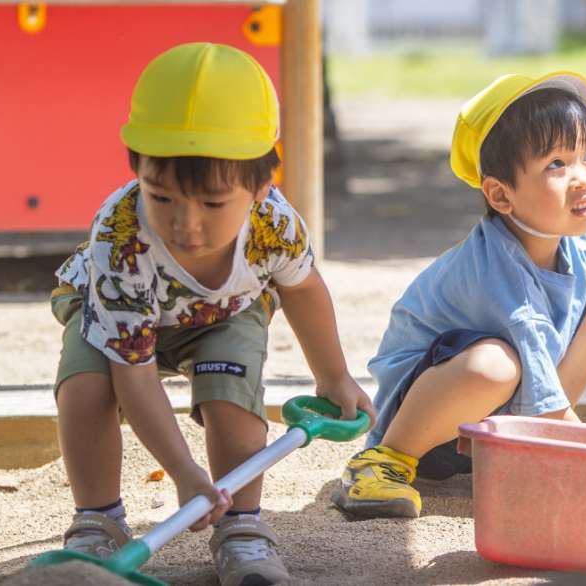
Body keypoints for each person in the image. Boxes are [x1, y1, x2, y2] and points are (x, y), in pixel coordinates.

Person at [49, 42, 374, 585]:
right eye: (163, 197)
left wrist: (333, 375)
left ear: (260, 187)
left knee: (235, 403)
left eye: (213, 204)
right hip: (117, 311)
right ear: (138, 172)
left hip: (225, 313)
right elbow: (135, 371)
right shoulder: (119, 235)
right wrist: (183, 473)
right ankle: (98, 521)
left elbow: (303, 290)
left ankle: (242, 527)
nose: (186, 225)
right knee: (85, 385)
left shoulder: (274, 223)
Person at [332, 72, 586, 519]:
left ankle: (531, 452)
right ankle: (384, 463)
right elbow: (539, 390)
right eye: (556, 164)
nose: (582, 178)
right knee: (495, 365)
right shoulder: (496, 267)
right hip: (428, 426)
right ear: (501, 195)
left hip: (502, 418)